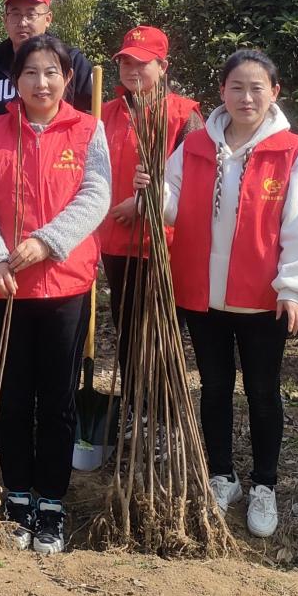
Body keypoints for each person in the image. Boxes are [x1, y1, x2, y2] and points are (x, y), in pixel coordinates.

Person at [139, 49, 298, 539]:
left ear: (274, 93)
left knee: (263, 392)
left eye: (257, 87)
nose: (246, 97)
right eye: (236, 87)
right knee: (215, 388)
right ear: (222, 92)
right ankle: (222, 475)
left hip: (262, 297)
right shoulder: (197, 144)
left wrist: (294, 287)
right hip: (204, 293)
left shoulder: (289, 150)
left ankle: (265, 484)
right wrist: (151, 191)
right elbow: (170, 204)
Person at [0, 34, 111, 555]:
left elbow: (96, 195)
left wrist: (46, 242)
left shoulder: (87, 130)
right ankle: (16, 497)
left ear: (66, 78)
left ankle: (51, 501)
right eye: (31, 73)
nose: (41, 82)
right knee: (9, 397)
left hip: (63, 285)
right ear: (17, 80)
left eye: (51, 72)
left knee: (57, 400)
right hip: (3, 287)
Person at [0, 0, 94, 398]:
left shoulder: (75, 62)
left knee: (55, 386)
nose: (23, 21)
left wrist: (43, 138)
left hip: (59, 205)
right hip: (4, 208)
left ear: (48, 18)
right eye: (15, 12)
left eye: (32, 13)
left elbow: (86, 133)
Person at [97, 26, 201, 398]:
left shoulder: (183, 115)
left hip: (163, 247)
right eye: (125, 61)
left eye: (142, 62)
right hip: (115, 244)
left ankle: (163, 414)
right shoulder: (105, 112)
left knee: (159, 335)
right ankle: (133, 407)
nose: (132, 69)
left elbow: (197, 180)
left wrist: (144, 204)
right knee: (126, 330)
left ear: (163, 66)